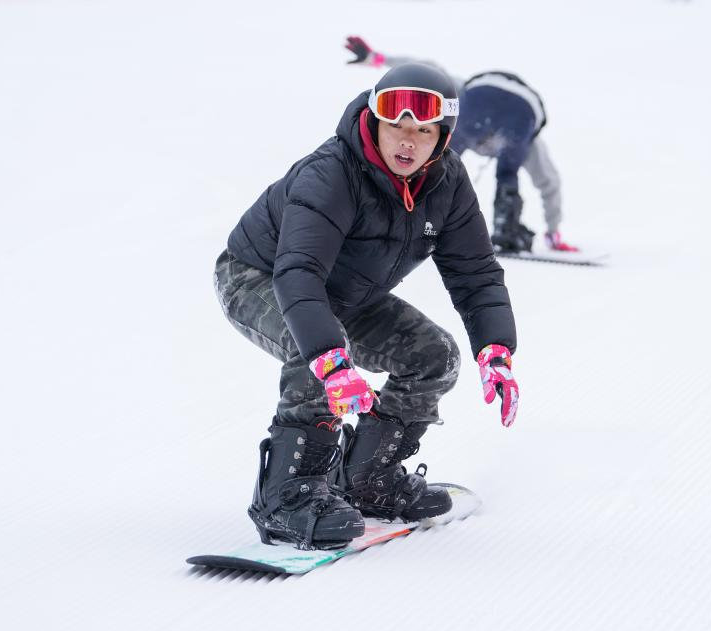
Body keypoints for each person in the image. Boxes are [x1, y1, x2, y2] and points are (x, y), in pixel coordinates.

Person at [213, 63, 521, 551]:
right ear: (374, 122)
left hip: (344, 293)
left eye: (424, 131)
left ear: (443, 138)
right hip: (257, 277)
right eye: (396, 125)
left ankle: (368, 479)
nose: (408, 141)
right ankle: (288, 498)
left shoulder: (447, 183)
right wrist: (332, 360)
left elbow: (476, 273)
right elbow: (298, 273)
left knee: (433, 356)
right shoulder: (331, 173)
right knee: (319, 352)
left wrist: (496, 348)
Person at [344, 36, 580, 254]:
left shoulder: (462, 88)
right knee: (507, 173)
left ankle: (417, 222)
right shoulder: (530, 140)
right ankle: (505, 231)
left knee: (440, 161)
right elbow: (550, 182)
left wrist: (376, 58)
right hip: (523, 111)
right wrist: (553, 232)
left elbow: (428, 69)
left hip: (479, 97)